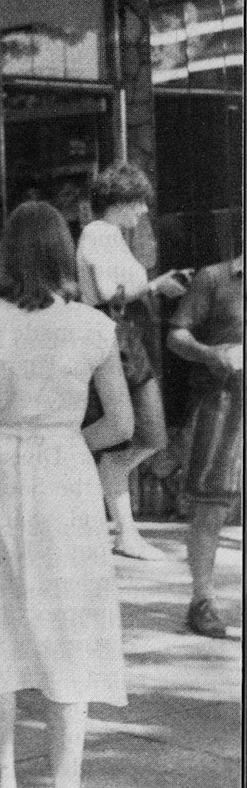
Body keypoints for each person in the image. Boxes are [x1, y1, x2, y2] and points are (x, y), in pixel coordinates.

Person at [0, 201, 133, 788]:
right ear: (62, 253)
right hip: (64, 481)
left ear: (5, 254)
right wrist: (65, 439)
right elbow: (122, 425)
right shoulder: (93, 327)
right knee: (68, 624)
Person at [76, 162, 187, 559]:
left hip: (123, 338)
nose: (142, 211)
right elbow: (111, 290)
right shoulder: (101, 232)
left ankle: (125, 530)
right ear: (120, 202)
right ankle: (75, 460)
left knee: (137, 437)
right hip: (116, 338)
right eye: (137, 203)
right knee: (147, 432)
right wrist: (155, 284)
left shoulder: (108, 234)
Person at [168, 255, 243, 638]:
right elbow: (177, 335)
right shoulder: (215, 278)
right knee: (210, 508)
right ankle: (202, 601)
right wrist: (211, 354)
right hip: (224, 405)